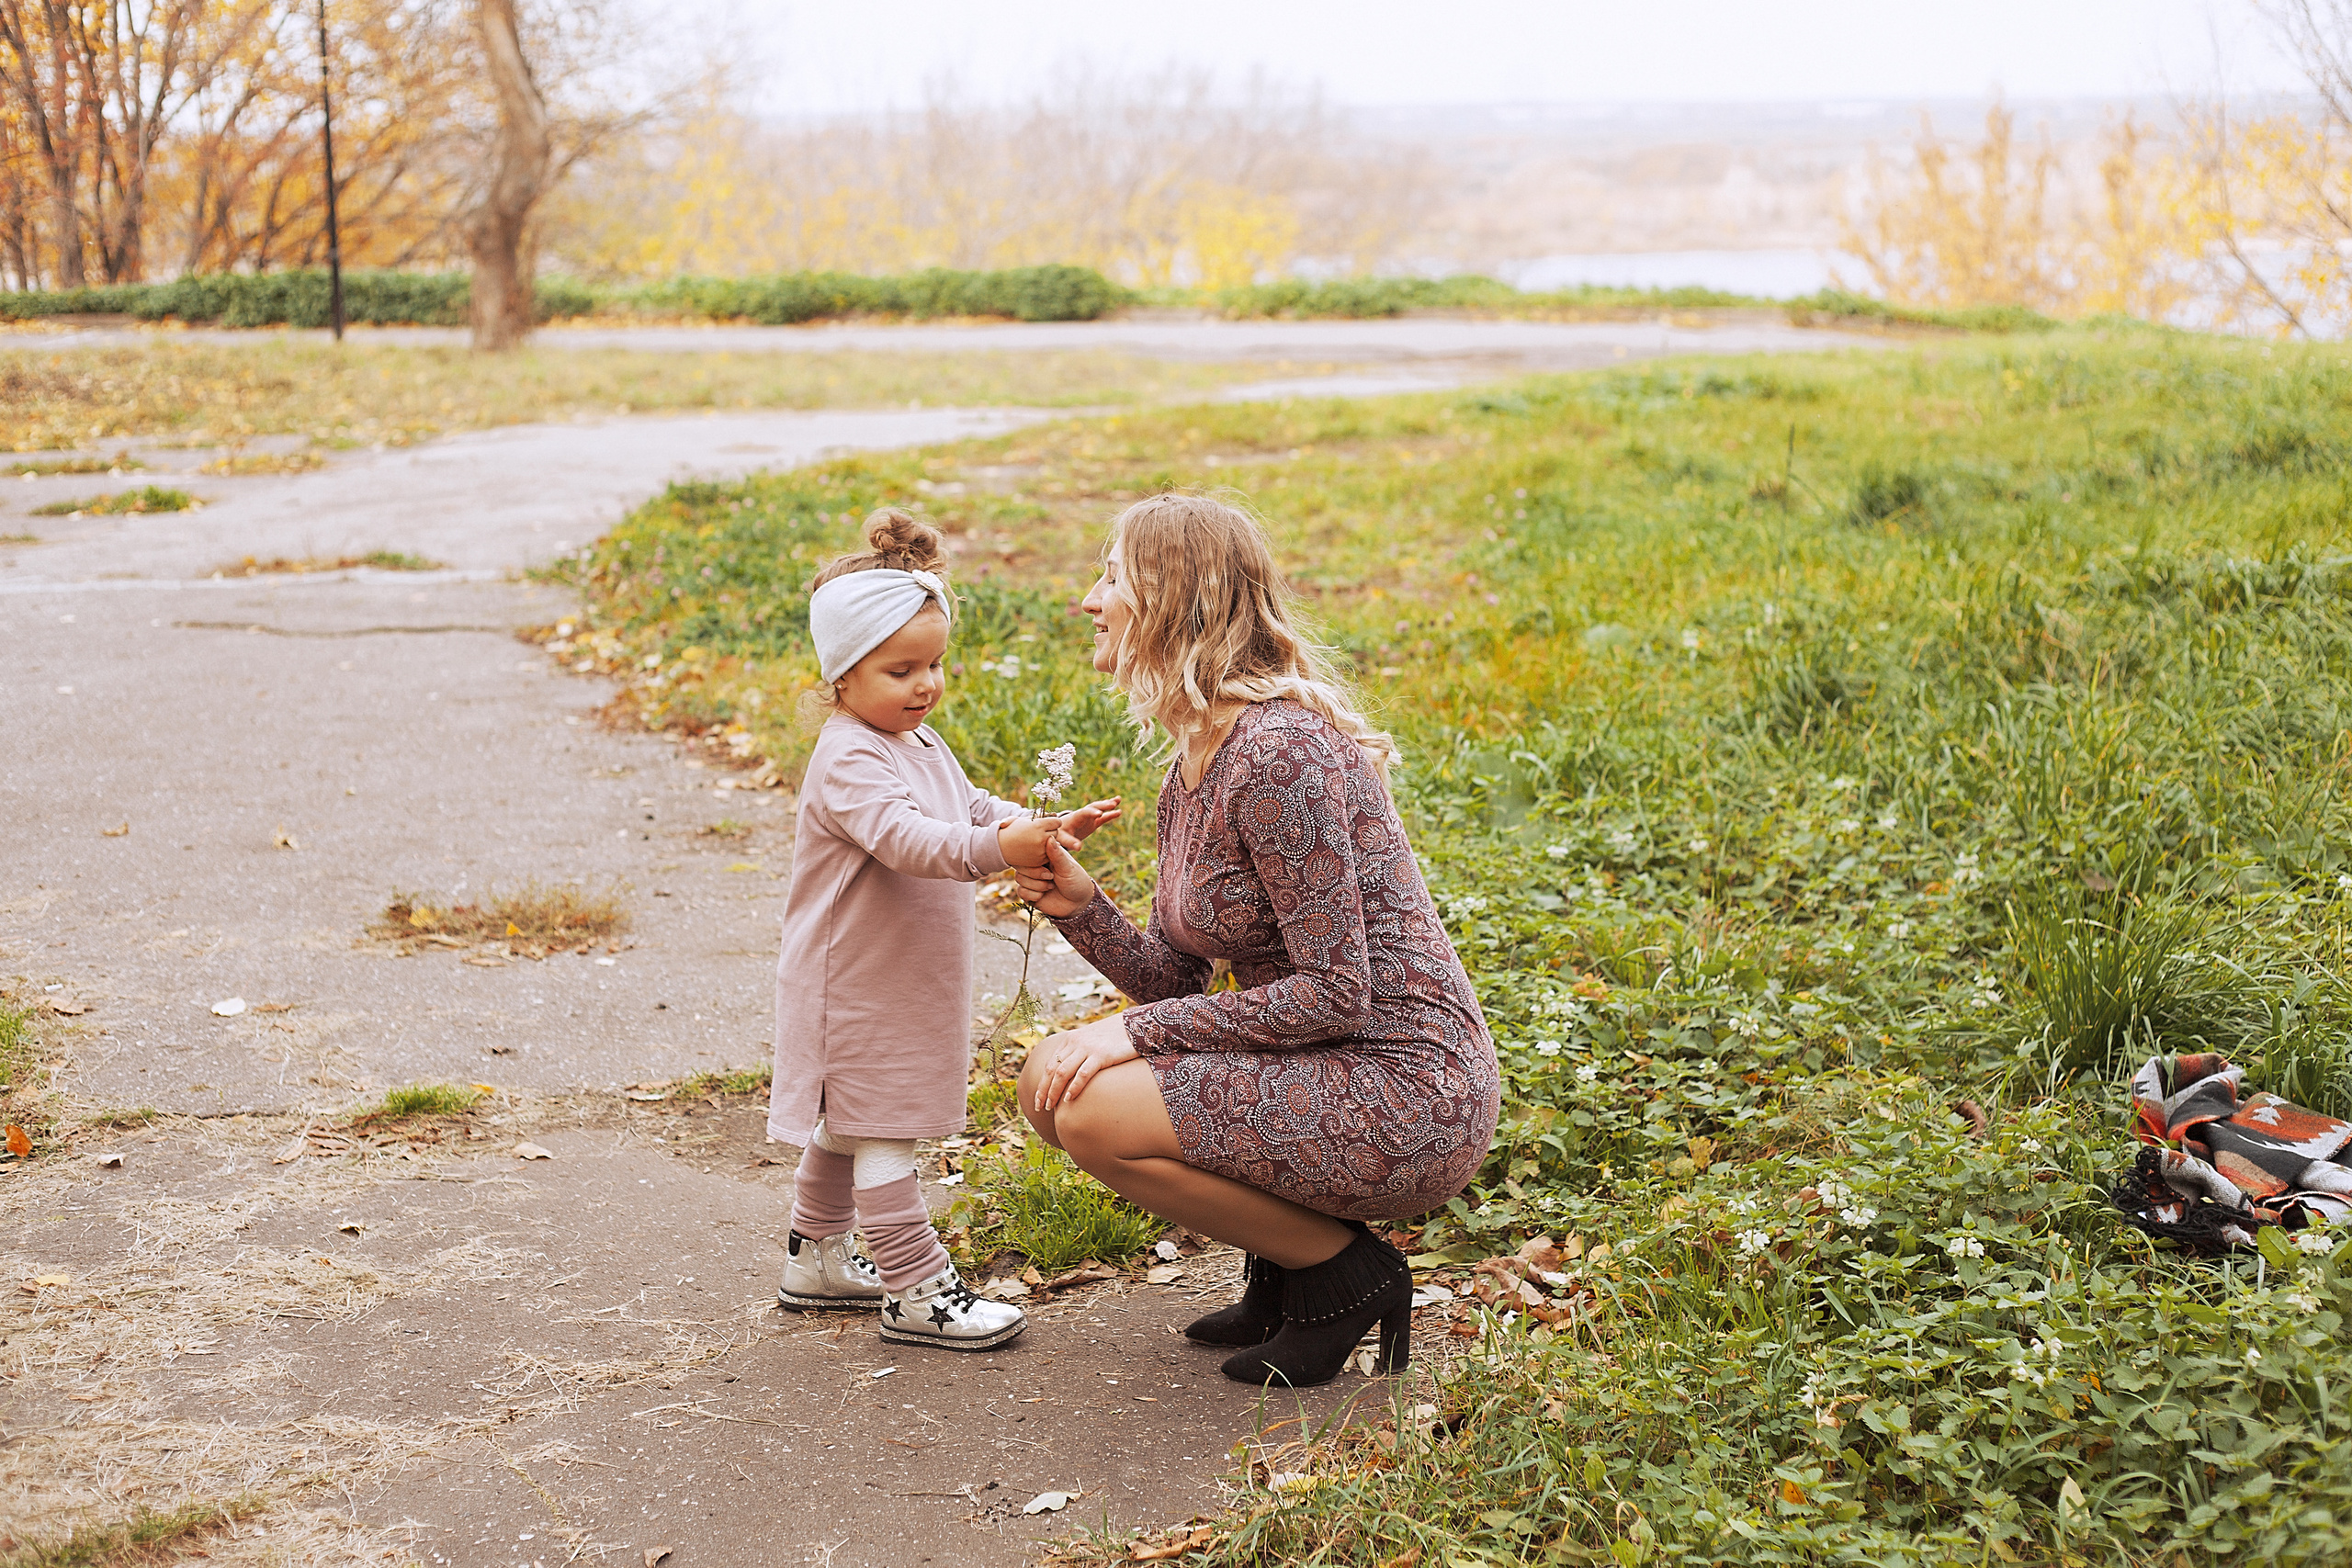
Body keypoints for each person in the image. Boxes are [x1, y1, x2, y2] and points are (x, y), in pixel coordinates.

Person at [1013, 492, 1499, 1388]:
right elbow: (1177, 982)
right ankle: (1279, 1271)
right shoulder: (1195, 760)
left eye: (1111, 576)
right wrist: (1081, 907)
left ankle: (1342, 1275)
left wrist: (1123, 1034)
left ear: (1171, 597)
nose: (1089, 598)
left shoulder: (1280, 753)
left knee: (1087, 1104)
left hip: (1408, 1085)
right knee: (1049, 1085)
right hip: (1328, 1064)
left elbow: (1335, 994)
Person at [768, 509, 1118, 1351]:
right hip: (852, 982)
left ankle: (815, 1258)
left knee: (852, 1121)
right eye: (900, 669)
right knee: (885, 1127)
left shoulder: (916, 739)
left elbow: (965, 809)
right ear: (841, 675)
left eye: (934, 665)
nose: (924, 684)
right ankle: (917, 1289)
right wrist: (1001, 850)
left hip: (896, 975)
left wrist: (1036, 823)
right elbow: (910, 839)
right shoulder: (849, 755)